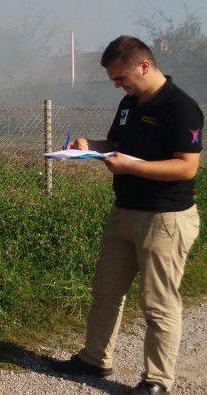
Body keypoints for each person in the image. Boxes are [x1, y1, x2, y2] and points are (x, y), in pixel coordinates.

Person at [50, 36, 202, 394]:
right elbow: (117, 146)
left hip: (165, 218)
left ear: (144, 66)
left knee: (158, 302)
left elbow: (186, 167)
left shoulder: (181, 108)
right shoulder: (129, 103)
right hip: (124, 212)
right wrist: (90, 147)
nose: (118, 85)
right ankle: (94, 359)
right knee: (106, 290)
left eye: (121, 77)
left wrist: (131, 167)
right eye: (114, 80)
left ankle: (157, 380)